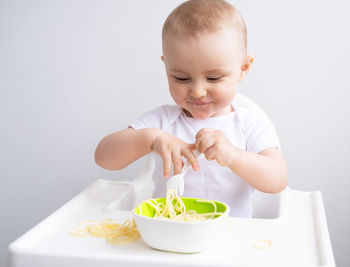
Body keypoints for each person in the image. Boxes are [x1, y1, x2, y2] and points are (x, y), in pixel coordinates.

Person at [95, 0, 288, 217]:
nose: (197, 91)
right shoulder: (163, 121)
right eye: (181, 77)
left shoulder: (249, 123)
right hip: (168, 233)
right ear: (166, 66)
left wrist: (234, 156)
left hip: (232, 238)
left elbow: (278, 179)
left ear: (243, 68)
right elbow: (104, 158)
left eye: (213, 78)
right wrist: (151, 138)